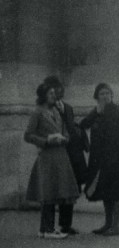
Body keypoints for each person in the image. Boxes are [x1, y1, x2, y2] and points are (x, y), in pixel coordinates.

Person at [80, 83, 119, 236]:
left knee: (117, 192)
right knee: (106, 192)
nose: (105, 96)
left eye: (107, 93)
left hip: (117, 158)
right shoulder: (96, 112)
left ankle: (116, 226)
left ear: (112, 95)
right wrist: (95, 114)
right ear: (97, 97)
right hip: (100, 160)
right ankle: (107, 224)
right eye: (102, 94)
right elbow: (82, 126)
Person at [24, 83, 80, 239]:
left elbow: (65, 131)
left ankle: (44, 229)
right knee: (48, 192)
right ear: (43, 96)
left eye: (54, 93)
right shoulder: (37, 113)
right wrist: (46, 140)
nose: (54, 96)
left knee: (55, 191)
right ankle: (48, 229)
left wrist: (65, 138)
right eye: (50, 93)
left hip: (60, 155)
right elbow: (28, 135)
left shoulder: (56, 111)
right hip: (48, 156)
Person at [43, 76, 88, 235]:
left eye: (60, 87)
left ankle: (65, 224)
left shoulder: (68, 108)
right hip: (54, 152)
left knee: (70, 189)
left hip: (71, 153)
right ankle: (47, 226)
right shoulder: (44, 108)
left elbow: (72, 130)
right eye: (54, 88)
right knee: (52, 189)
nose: (58, 91)